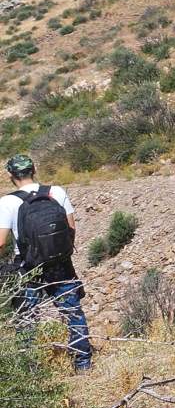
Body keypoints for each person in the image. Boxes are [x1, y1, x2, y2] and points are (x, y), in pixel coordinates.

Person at [0, 154, 92, 371]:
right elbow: (71, 228)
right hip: (60, 265)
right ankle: (83, 363)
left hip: (28, 268)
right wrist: (61, 254)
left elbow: (1, 242)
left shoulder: (7, 202)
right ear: (34, 169)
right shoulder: (56, 191)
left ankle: (30, 369)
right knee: (72, 313)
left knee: (27, 319)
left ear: (10, 175)